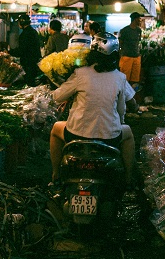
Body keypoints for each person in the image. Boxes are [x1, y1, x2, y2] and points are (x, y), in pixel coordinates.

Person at [50, 32, 138, 185]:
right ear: (115, 55)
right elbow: (121, 110)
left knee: (56, 129)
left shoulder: (80, 74)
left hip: (76, 135)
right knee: (128, 133)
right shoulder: (120, 77)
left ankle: (56, 173)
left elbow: (57, 97)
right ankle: (129, 178)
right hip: (110, 137)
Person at [12, 14, 41, 86]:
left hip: (28, 64)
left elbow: (21, 51)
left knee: (28, 83)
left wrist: (10, 52)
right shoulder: (34, 32)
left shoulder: (24, 34)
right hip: (34, 62)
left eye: (19, 22)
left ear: (22, 23)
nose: (18, 24)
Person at [118, 12, 143, 86]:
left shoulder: (139, 30)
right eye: (139, 19)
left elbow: (138, 42)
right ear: (135, 19)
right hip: (126, 57)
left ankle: (133, 96)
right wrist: (121, 54)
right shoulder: (124, 31)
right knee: (125, 80)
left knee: (135, 81)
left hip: (136, 57)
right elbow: (120, 43)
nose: (140, 21)